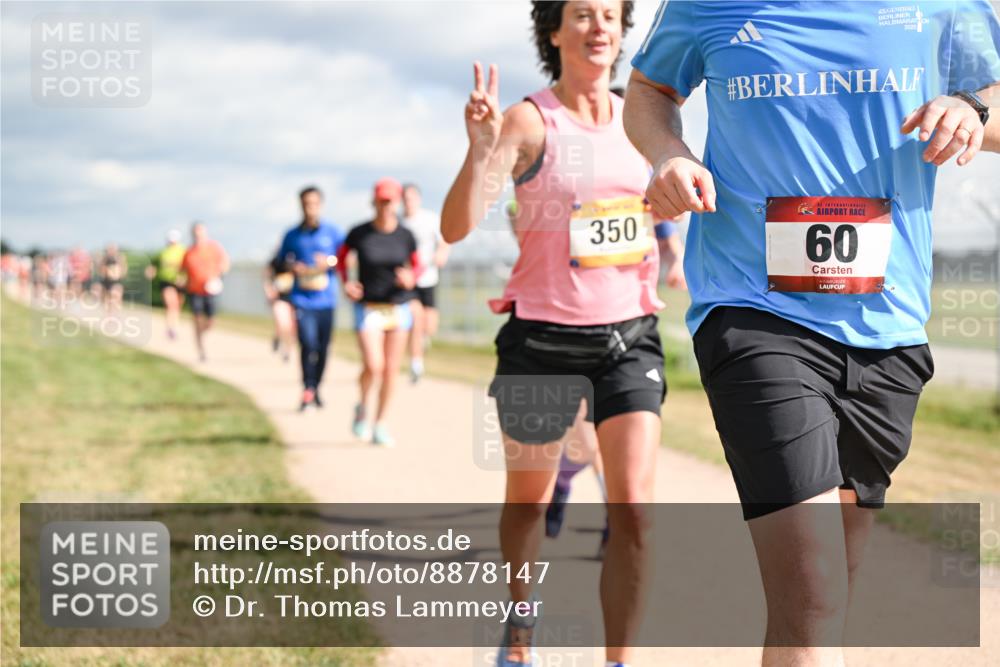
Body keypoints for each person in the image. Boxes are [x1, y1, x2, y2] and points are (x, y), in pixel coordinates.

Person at [624, 1, 1000, 662]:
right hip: (754, 312)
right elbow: (651, 89)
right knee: (814, 590)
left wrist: (974, 108)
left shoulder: (944, 6)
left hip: (888, 330)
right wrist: (668, 153)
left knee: (827, 593)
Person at [441, 3, 678, 665]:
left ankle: (619, 657)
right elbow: (456, 226)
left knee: (634, 508)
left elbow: (658, 204)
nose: (600, 26)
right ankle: (520, 626)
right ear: (554, 31)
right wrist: (479, 151)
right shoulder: (528, 119)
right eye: (582, 14)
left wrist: (673, 228)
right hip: (542, 339)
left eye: (610, 14)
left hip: (629, 337)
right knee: (529, 499)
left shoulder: (644, 117)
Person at [337, 178, 420, 447]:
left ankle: (380, 423)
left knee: (390, 370)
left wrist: (411, 277)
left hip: (397, 306)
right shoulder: (359, 233)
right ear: (373, 202)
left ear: (397, 202)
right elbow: (340, 259)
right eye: (381, 201)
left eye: (390, 201)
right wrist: (347, 283)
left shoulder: (405, 235)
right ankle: (362, 406)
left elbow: (418, 266)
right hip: (369, 307)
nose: (386, 206)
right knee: (374, 365)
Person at [276, 186, 345, 410]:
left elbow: (345, 260)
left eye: (314, 203)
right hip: (302, 299)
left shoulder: (333, 232)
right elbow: (279, 261)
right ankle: (307, 388)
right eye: (307, 204)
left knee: (323, 347)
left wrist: (329, 262)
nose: (310, 208)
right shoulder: (293, 235)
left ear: (321, 205)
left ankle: (316, 387)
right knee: (307, 343)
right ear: (301, 205)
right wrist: (293, 266)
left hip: (326, 299)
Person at [401, 182, 450, 383]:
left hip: (428, 277)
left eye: (411, 198)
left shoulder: (430, 219)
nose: (408, 202)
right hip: (408, 280)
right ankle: (416, 363)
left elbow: (445, 240)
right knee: (416, 318)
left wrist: (441, 254)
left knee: (429, 326)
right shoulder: (398, 222)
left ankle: (421, 342)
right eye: (404, 198)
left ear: (418, 199)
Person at [180, 222, 229, 362]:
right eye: (196, 232)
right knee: (196, 320)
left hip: (211, 290)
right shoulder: (189, 252)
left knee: (210, 322)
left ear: (205, 232)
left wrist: (219, 277)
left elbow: (225, 263)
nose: (198, 234)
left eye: (200, 231)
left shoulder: (214, 247)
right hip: (195, 291)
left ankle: (201, 332)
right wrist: (182, 281)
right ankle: (201, 350)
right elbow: (183, 271)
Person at [145, 230, 187, 340]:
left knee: (177, 306)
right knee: (171, 305)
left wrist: (184, 277)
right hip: (166, 281)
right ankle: (170, 328)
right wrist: (151, 272)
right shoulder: (162, 252)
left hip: (180, 282)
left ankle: (174, 326)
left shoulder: (184, 251)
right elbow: (153, 265)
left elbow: (188, 266)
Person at [263, 246, 297, 363]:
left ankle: (287, 351)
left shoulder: (299, 260)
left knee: (292, 327)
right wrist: (269, 291)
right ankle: (278, 338)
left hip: (295, 298)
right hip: (279, 298)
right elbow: (266, 277)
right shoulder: (275, 262)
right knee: (283, 324)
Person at [98, 243, 127, 313]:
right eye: (110, 249)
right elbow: (101, 269)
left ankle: (116, 312)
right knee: (108, 297)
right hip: (107, 280)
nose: (111, 251)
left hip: (117, 280)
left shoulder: (120, 257)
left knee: (117, 295)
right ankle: (109, 313)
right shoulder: (105, 258)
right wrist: (104, 273)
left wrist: (122, 274)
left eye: (113, 249)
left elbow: (124, 267)